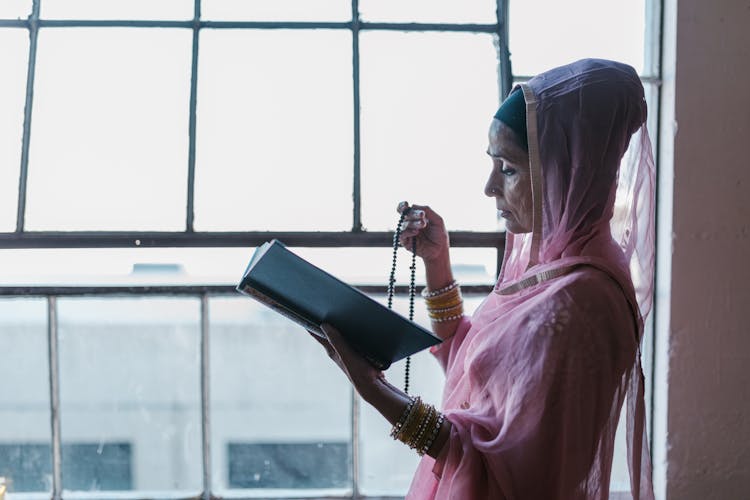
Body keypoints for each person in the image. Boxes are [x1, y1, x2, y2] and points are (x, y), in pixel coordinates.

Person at [313, 58, 656, 499]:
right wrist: (438, 264)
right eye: (493, 164)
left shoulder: (578, 303)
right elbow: (469, 364)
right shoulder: (555, 269)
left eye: (508, 169)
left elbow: (495, 469)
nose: (490, 186)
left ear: (565, 174)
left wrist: (372, 388)